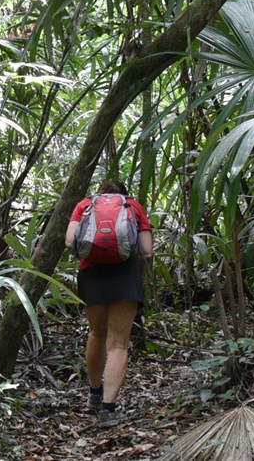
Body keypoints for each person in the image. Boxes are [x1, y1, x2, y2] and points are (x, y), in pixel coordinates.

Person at [65, 178, 152, 427]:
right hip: (125, 275)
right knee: (118, 344)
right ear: (123, 195)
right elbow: (147, 250)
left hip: (91, 273)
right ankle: (108, 410)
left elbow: (70, 241)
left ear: (100, 193)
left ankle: (94, 394)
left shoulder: (84, 205)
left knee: (96, 333)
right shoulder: (133, 207)